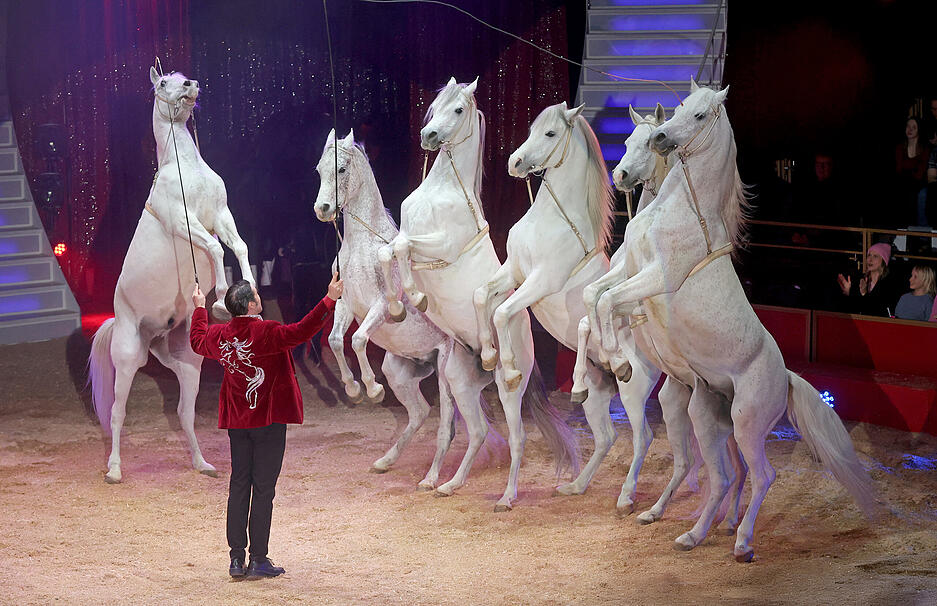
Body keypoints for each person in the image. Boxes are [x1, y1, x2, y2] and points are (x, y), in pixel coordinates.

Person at [190, 273, 343, 579]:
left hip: (238, 423)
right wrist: (329, 299)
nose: (261, 298)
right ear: (249, 305)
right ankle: (258, 558)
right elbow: (304, 330)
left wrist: (199, 308)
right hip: (269, 422)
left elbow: (196, 341)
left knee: (238, 486)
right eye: (257, 295)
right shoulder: (268, 332)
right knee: (263, 490)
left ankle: (236, 559)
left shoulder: (221, 336)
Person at [836, 242, 902, 317]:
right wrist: (848, 293)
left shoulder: (889, 283)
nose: (870, 260)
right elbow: (855, 307)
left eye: (875, 256)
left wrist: (864, 293)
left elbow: (875, 309)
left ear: (883, 261)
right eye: (869, 255)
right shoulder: (861, 279)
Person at [895, 117, 931, 226]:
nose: (910, 130)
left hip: (918, 183)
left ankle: (917, 234)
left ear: (919, 130)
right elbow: (898, 170)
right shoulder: (900, 147)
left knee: (912, 195)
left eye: (914, 127)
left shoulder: (925, 149)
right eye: (908, 126)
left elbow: (920, 174)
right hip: (903, 182)